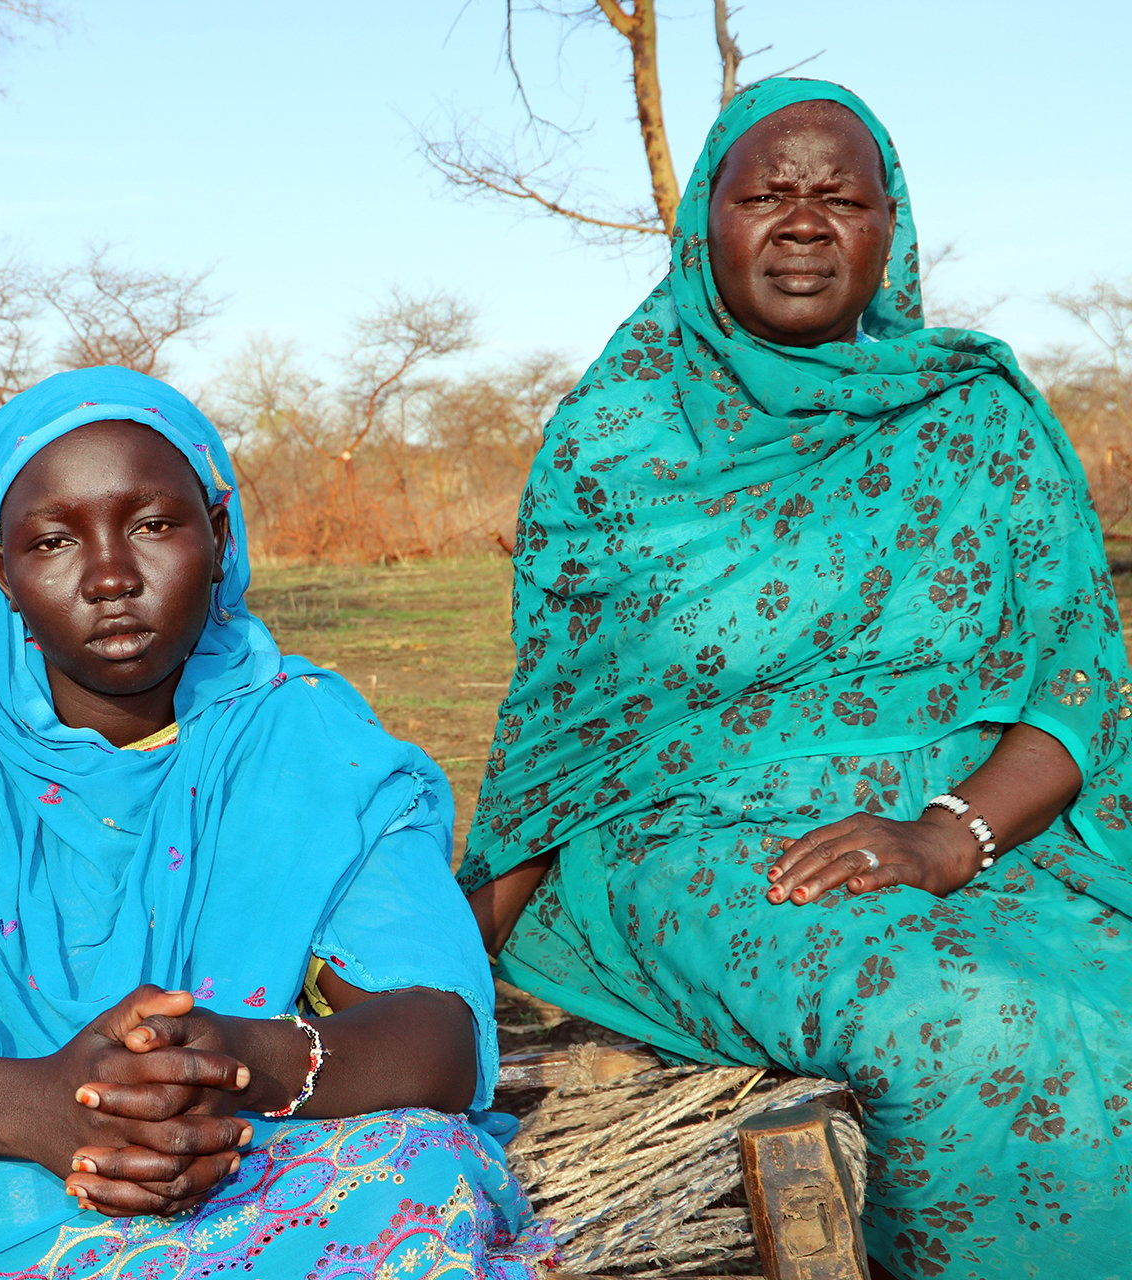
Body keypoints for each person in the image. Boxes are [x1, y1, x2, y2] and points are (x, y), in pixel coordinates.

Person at [0, 367, 553, 1279]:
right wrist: (37, 1108)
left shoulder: (312, 741)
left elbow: (435, 1038)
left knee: (416, 1169)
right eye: (53, 541)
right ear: (1, 575)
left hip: (234, 1155)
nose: (112, 575)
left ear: (218, 532)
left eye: (154, 524)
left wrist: (231, 1057)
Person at [460, 78, 1132, 1280]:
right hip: (700, 840)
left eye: (842, 197)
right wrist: (451, 955)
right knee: (969, 1020)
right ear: (703, 220)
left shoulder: (976, 414)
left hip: (975, 821)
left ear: (893, 226)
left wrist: (947, 834)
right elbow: (558, 723)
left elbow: (1074, 683)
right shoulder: (615, 436)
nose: (807, 221)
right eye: (768, 193)